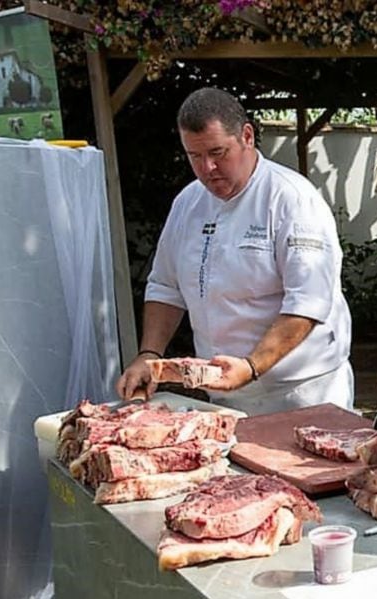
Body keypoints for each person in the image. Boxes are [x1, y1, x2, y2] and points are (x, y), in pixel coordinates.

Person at [116, 88, 353, 415]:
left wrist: (252, 366)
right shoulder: (187, 202)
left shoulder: (292, 199)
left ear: (246, 136)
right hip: (223, 392)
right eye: (194, 157)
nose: (207, 168)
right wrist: (149, 355)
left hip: (300, 391)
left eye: (218, 152)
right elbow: (165, 287)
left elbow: (308, 302)